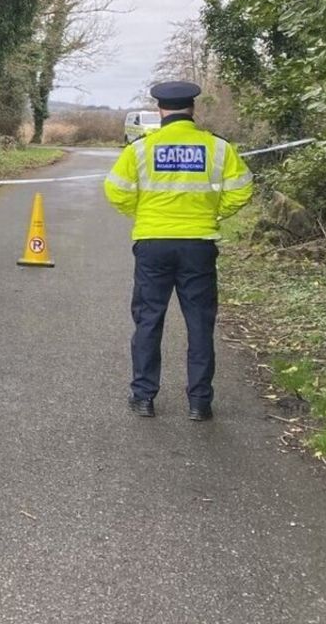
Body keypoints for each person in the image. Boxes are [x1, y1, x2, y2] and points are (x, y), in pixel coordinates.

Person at [102, 81, 253, 421]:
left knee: (149, 319)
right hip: (198, 244)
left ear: (160, 111)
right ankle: (199, 403)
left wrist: (141, 214)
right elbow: (243, 188)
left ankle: (143, 397)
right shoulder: (216, 148)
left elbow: (115, 190)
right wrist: (214, 212)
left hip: (153, 244)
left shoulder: (141, 149)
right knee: (199, 322)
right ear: (192, 110)